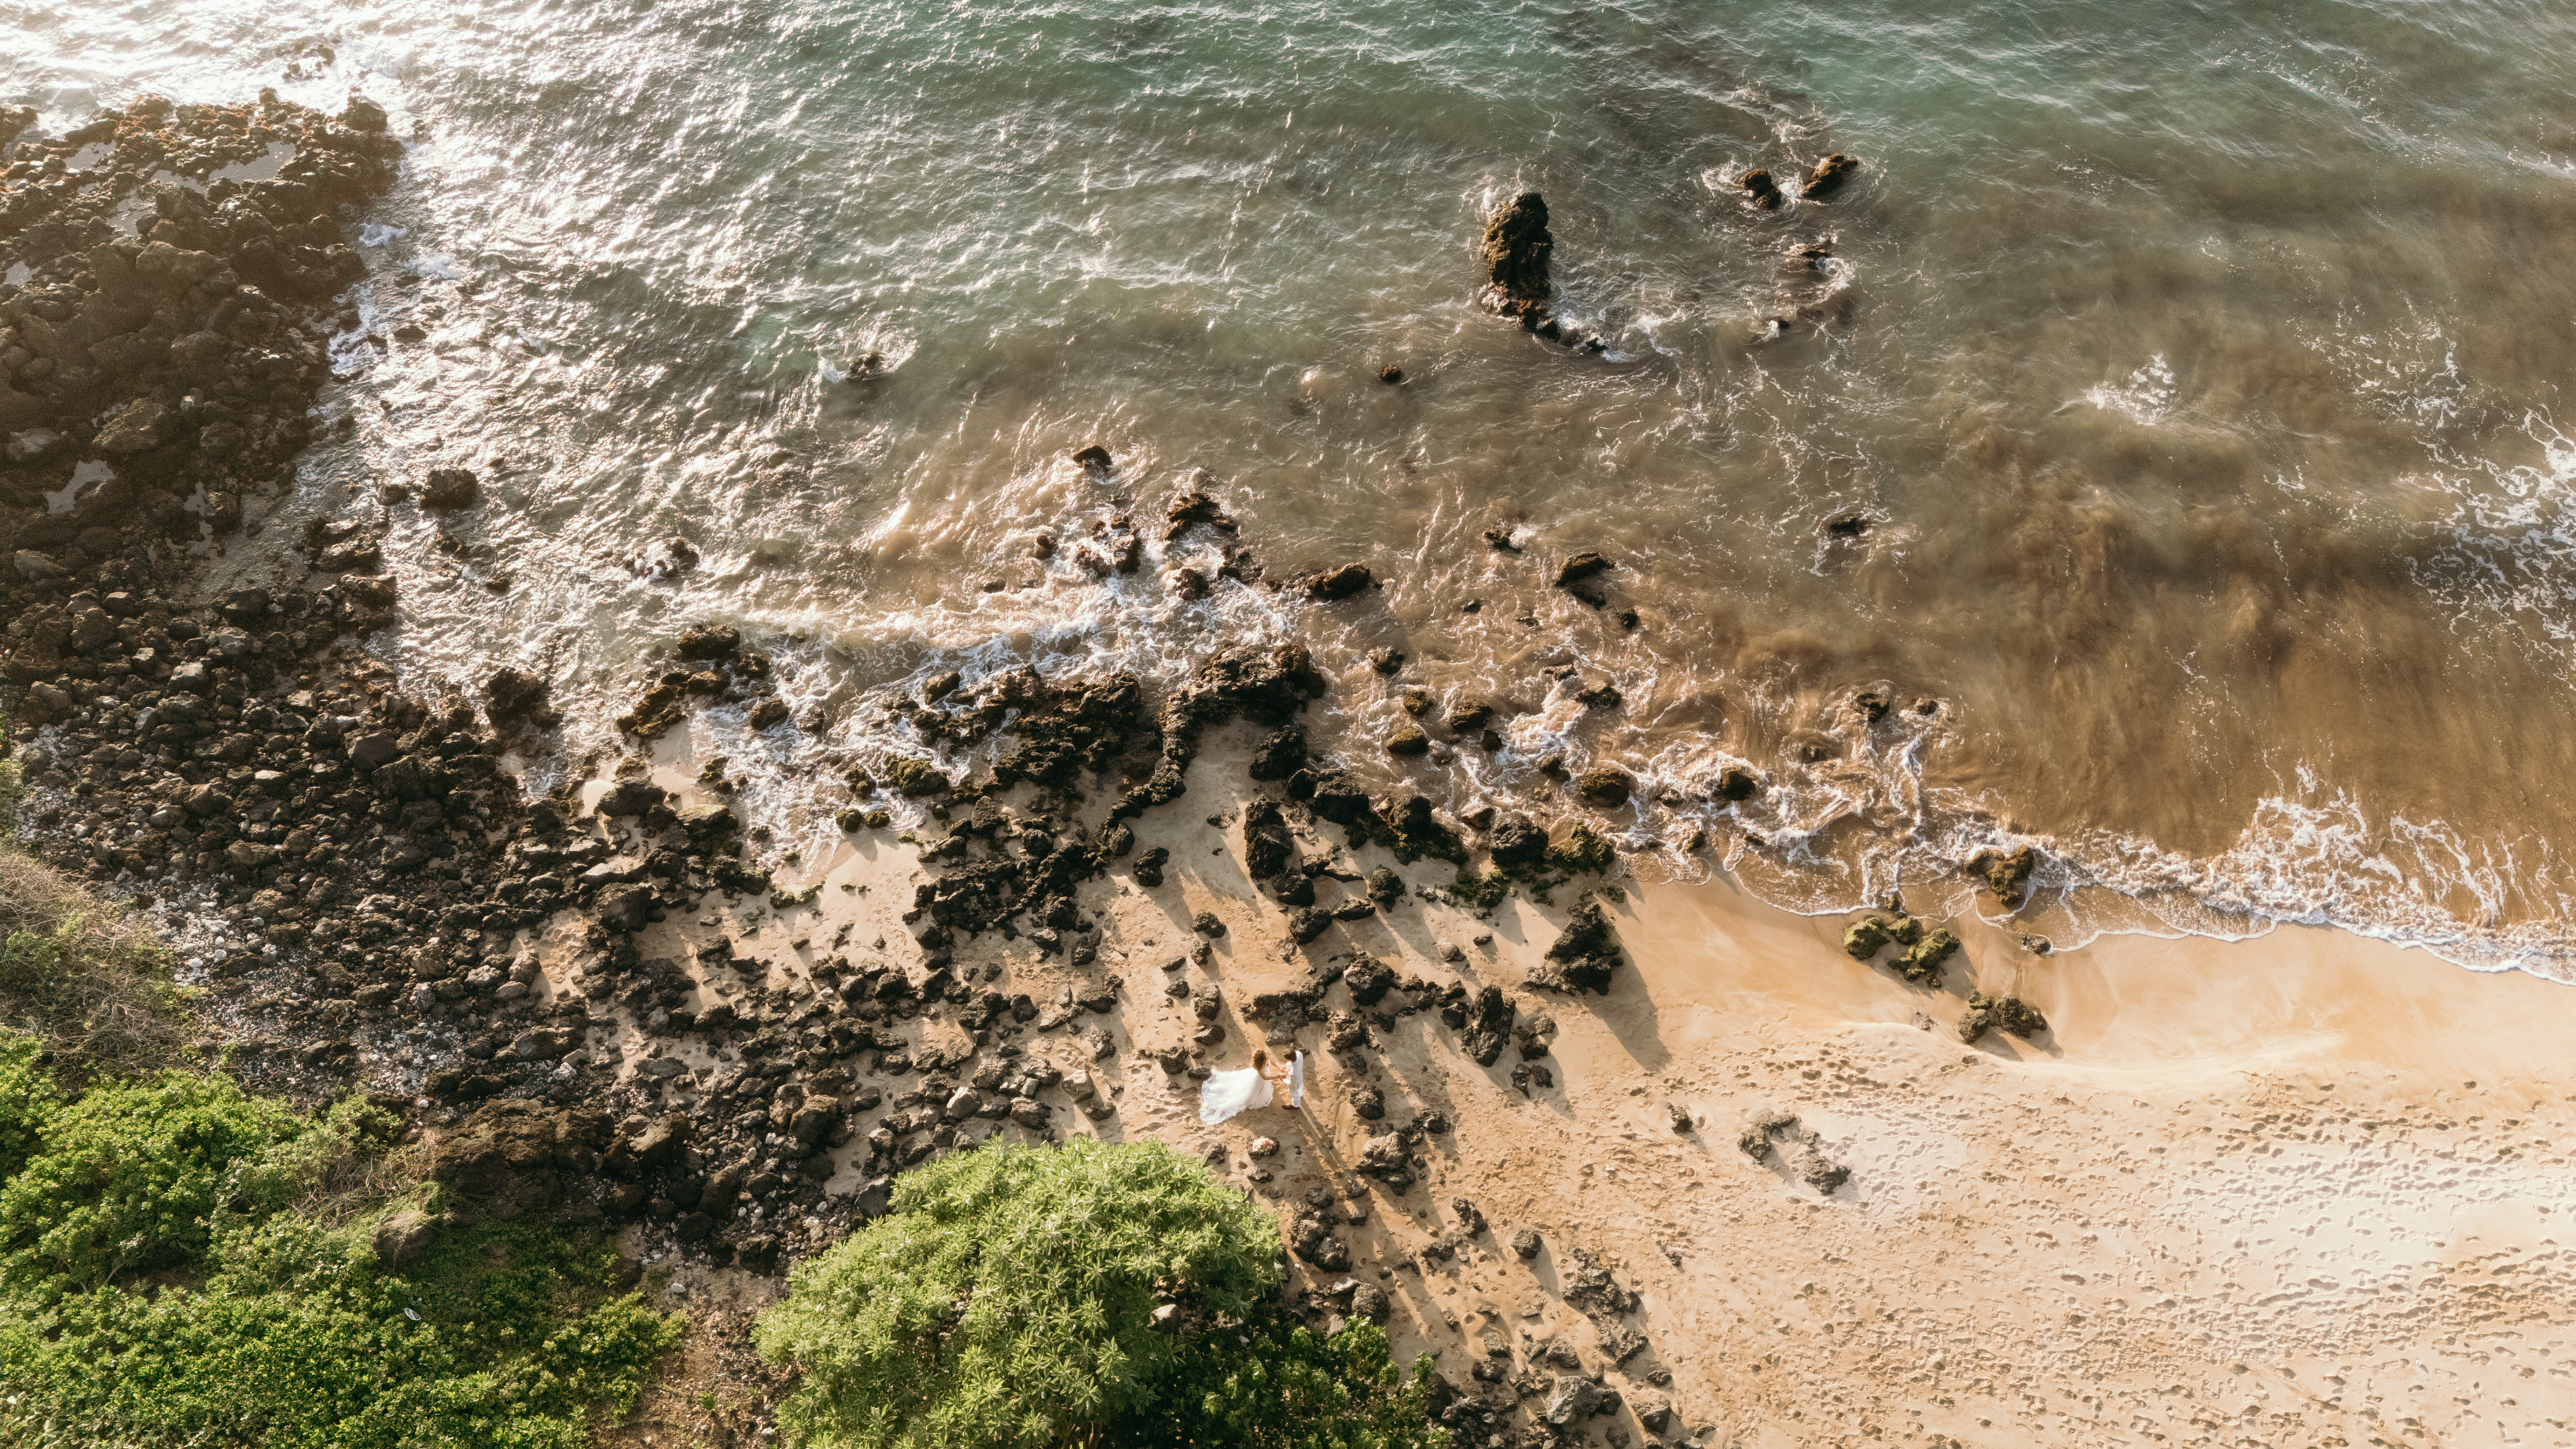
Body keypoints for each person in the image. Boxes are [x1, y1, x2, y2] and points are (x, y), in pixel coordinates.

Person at [1198, 1049, 1303, 1124]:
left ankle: (1297, 1100)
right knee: (1254, 1092)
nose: (1267, 1059)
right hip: (1260, 1081)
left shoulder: (1266, 1056)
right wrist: (1278, 1077)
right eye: (1265, 1059)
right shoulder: (1259, 1069)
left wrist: (1280, 1067)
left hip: (1272, 1078)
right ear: (1260, 1062)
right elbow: (1265, 1078)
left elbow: (1272, 1061)